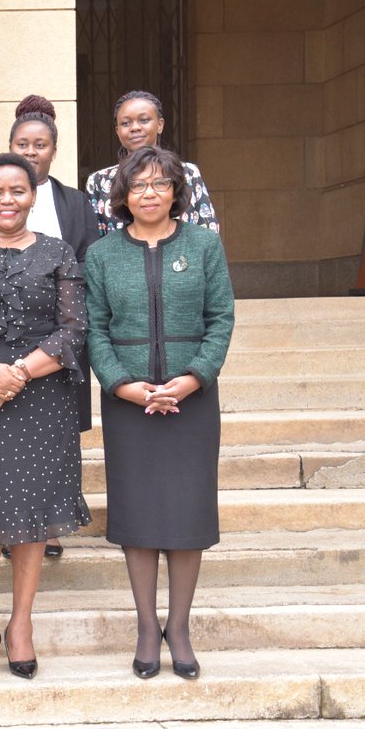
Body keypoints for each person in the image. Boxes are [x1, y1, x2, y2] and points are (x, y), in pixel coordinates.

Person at [84, 145, 234, 681]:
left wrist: (193, 378)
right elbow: (94, 329)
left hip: (192, 401)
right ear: (122, 195)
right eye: (139, 185)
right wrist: (124, 386)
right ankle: (147, 626)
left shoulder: (204, 245)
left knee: (188, 518)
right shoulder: (102, 254)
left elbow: (221, 318)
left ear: (177, 190)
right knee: (140, 517)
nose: (149, 193)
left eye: (159, 184)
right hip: (129, 405)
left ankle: (181, 626)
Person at [0, 153, 90, 683]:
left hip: (42, 397)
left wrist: (17, 373)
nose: (7, 201)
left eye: (17, 191)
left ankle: (21, 623)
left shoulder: (58, 252)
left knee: (33, 511)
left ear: (33, 196)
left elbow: (73, 330)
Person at [0, 102, 101, 560]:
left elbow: (81, 292)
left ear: (54, 152)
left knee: (41, 474)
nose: (32, 151)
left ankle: (46, 525)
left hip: (47, 359)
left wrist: (19, 371)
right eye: (23, 144)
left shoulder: (73, 206)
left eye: (40, 145)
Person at [85, 90, 219, 235]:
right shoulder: (99, 180)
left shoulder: (188, 173)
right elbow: (93, 241)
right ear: (117, 131)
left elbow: (208, 231)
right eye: (125, 123)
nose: (135, 127)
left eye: (144, 120)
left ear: (160, 125)